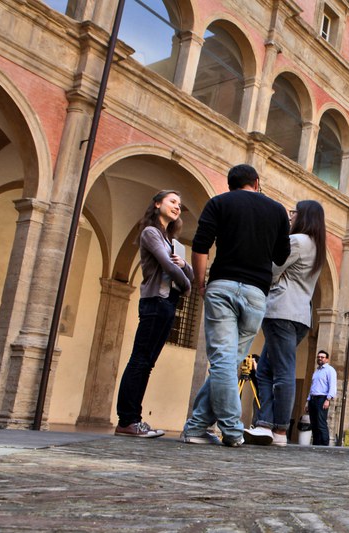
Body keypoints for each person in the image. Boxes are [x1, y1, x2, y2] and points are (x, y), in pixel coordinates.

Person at [182, 164, 290, 447]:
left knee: (222, 362)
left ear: (231, 185)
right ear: (257, 182)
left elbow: (200, 246)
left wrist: (200, 282)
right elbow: (281, 256)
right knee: (226, 363)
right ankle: (207, 429)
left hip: (222, 286)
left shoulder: (219, 202)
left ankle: (223, 429)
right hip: (256, 293)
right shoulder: (277, 210)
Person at [246, 200, 327, 447]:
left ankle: (279, 429)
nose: (291, 216)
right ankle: (265, 425)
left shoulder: (297, 241)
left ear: (302, 216)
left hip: (282, 312)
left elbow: (272, 270)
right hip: (301, 316)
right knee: (266, 371)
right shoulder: (318, 246)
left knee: (281, 372)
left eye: (294, 212)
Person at [115, 190, 193, 438]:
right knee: (139, 361)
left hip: (168, 302)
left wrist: (185, 269)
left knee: (146, 363)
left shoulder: (171, 241)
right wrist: (188, 286)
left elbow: (185, 270)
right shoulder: (150, 233)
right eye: (172, 201)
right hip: (155, 302)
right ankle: (127, 420)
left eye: (180, 204)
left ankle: (134, 420)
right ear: (157, 203)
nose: (177, 206)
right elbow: (167, 265)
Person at [305, 350, 337, 446]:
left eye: (322, 357)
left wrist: (328, 399)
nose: (320, 359)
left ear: (327, 359)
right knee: (314, 423)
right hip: (313, 399)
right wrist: (307, 401)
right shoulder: (316, 371)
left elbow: (332, 386)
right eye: (318, 357)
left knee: (321, 423)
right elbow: (312, 387)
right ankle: (316, 444)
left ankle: (324, 445)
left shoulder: (330, 370)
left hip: (322, 399)